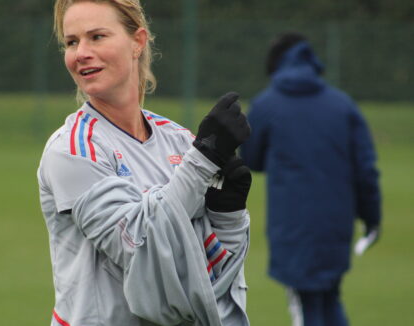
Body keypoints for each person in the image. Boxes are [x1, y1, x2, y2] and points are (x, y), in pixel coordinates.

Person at [38, 1, 253, 325]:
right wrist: (202, 161)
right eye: (71, 42)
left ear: (137, 41)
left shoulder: (180, 141)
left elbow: (210, 276)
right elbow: (140, 248)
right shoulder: (73, 150)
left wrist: (229, 218)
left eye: (96, 37)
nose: (80, 52)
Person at [240, 32, 382, 326]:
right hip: (336, 226)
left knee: (306, 308)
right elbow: (366, 171)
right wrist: (372, 218)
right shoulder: (343, 106)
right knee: (329, 298)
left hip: (292, 227)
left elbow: (250, 157)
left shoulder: (267, 104)